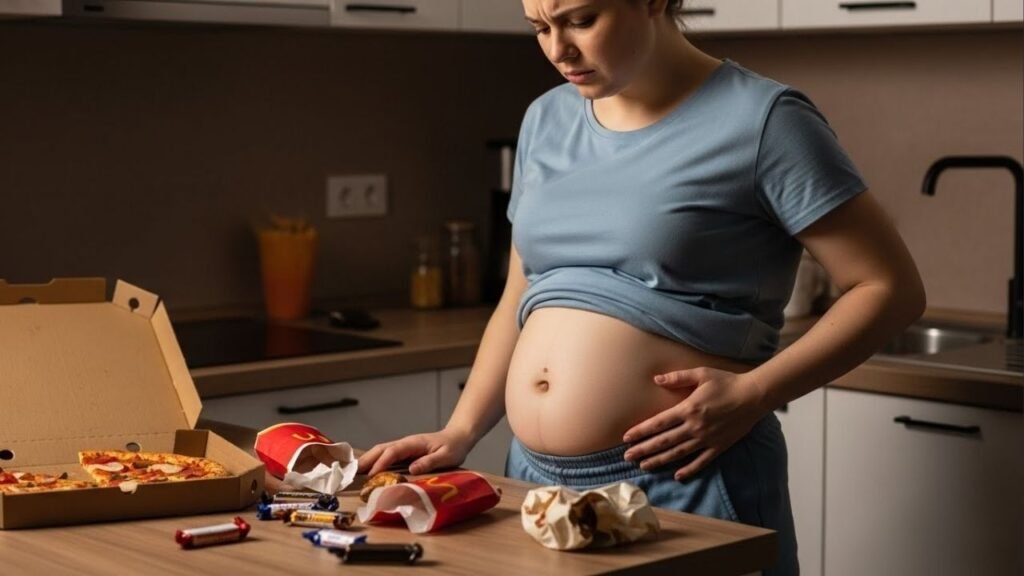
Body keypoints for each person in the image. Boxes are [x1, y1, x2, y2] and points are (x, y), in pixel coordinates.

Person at [358, 1, 926, 574]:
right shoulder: (545, 119)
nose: (559, 50)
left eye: (580, 20)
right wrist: (460, 430)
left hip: (684, 476)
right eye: (540, 27)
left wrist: (756, 394)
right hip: (532, 482)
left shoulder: (765, 120)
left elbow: (888, 287)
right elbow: (521, 296)